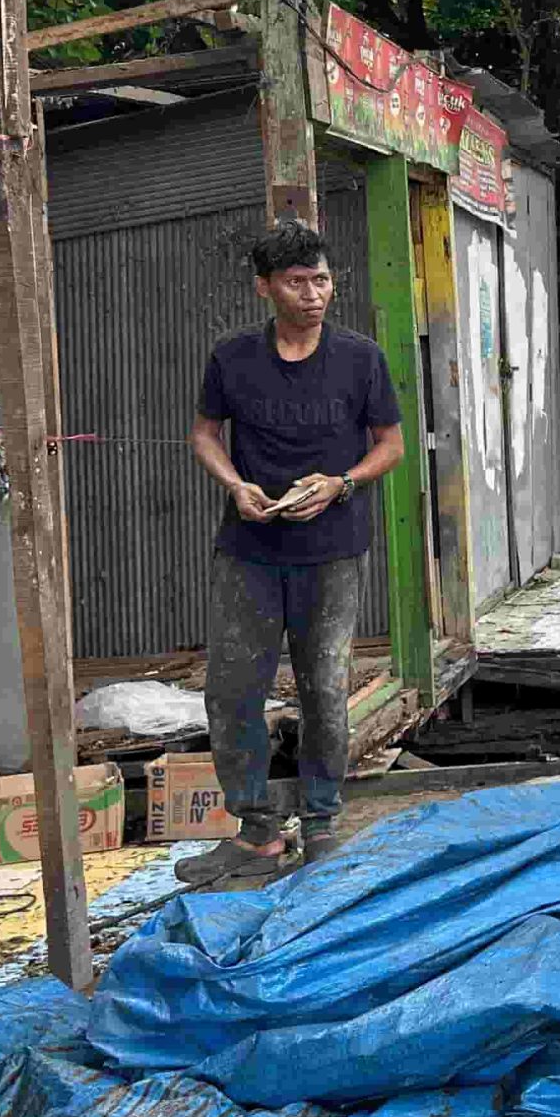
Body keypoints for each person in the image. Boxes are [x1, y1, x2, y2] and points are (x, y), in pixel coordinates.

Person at [182, 220, 405, 880]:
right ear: (265, 287)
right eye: (297, 282)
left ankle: (321, 821)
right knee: (232, 691)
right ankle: (256, 831)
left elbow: (390, 444)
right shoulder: (233, 358)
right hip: (248, 548)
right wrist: (235, 484)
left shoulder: (360, 358)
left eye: (322, 280)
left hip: (332, 550)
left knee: (324, 689)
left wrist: (342, 484)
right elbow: (204, 434)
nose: (313, 295)